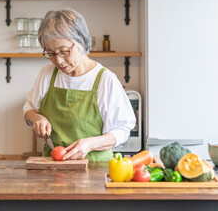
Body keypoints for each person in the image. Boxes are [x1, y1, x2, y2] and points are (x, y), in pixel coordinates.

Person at [23, 9, 136, 161]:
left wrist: (90, 144)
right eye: (50, 53)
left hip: (96, 168)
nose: (59, 61)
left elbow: (122, 129)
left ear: (81, 43)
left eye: (63, 51)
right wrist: (37, 119)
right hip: (53, 167)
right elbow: (29, 109)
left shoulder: (105, 79)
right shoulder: (47, 74)